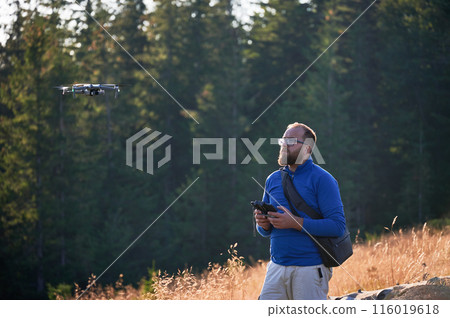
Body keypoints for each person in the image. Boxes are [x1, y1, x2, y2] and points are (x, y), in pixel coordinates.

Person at [254, 122, 346, 300]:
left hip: (310, 269)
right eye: (283, 140)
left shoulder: (323, 179)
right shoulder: (272, 179)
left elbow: (337, 226)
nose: (284, 145)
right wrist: (263, 224)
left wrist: (296, 223)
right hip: (276, 268)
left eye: (291, 141)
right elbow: (265, 231)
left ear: (308, 148)